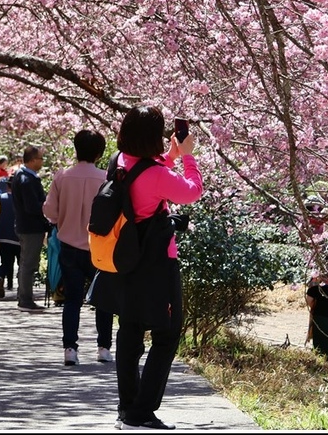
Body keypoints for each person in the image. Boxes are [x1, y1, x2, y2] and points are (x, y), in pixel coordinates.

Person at [90, 105, 202, 431]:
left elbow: (146, 177)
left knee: (130, 330)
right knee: (167, 334)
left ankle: (127, 408)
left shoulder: (119, 162)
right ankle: (142, 410)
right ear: (153, 136)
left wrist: (169, 155)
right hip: (157, 265)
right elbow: (191, 192)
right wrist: (188, 157)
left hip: (125, 262)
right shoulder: (156, 175)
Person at [43, 129, 114, 366]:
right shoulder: (106, 178)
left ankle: (70, 349)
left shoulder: (62, 176)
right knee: (103, 299)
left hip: (70, 245)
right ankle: (103, 347)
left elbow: (49, 211)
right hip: (99, 248)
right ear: (99, 152)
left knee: (72, 299)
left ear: (76, 149)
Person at [10, 145, 48, 312]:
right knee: (29, 263)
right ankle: (25, 298)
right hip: (31, 227)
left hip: (26, 225)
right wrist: (47, 207)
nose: (42, 161)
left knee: (26, 261)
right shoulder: (26, 179)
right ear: (33, 160)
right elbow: (32, 206)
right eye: (40, 158)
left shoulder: (24, 176)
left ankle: (23, 296)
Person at [0, 178, 19, 299]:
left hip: (2, 236)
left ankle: (1, 277)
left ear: (7, 186)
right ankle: (21, 289)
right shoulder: (21, 200)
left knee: (5, 262)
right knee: (22, 263)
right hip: (18, 236)